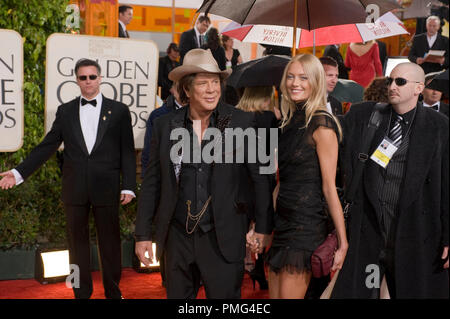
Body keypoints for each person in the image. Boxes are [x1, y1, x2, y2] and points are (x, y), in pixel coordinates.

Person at [134, 49, 274, 299]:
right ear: (187, 90)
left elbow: (261, 179)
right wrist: (143, 235)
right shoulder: (165, 126)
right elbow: (152, 181)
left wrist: (262, 226)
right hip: (177, 238)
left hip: (223, 236)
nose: (211, 89)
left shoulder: (242, 122)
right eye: (202, 83)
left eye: (215, 82)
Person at [0, 59, 136, 299]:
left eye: (92, 77)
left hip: (107, 187)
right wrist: (18, 172)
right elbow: (47, 146)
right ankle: (80, 294)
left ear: (100, 78)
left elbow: (127, 150)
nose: (88, 82)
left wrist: (129, 186)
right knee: (76, 247)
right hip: (75, 189)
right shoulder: (66, 111)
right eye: (83, 78)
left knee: (111, 245)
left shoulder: (119, 111)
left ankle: (114, 292)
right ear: (77, 80)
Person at [332, 62, 449, 299]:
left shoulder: (439, 127)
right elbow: (331, 132)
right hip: (369, 232)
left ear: (419, 88)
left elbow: (447, 184)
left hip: (416, 233)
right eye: (390, 81)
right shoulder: (364, 115)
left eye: (400, 82)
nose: (392, 86)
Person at [265, 54, 348, 299]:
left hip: (306, 226)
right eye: (290, 77)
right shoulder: (287, 124)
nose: (294, 83)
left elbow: (329, 188)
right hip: (281, 226)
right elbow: (280, 182)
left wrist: (343, 242)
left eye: (303, 77)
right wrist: (265, 226)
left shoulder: (322, 125)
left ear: (316, 82)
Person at [236, 86, 278, 290]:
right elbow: (272, 151)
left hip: (238, 182)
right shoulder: (268, 117)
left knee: (240, 226)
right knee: (261, 223)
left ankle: (243, 265)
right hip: (262, 177)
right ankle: (258, 266)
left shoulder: (235, 115)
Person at [141, 83, 185, 178]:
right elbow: (149, 152)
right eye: (179, 87)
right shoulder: (158, 115)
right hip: (165, 179)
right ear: (172, 90)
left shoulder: (206, 112)